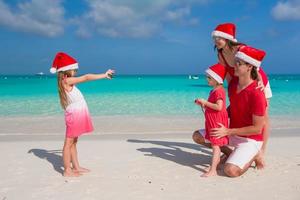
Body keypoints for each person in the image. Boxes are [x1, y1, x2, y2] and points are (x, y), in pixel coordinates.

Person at [194, 23, 271, 168]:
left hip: (258, 80)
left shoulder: (240, 49)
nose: (216, 40)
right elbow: (229, 74)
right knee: (237, 108)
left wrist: (259, 82)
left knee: (263, 117)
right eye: (215, 37)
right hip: (238, 80)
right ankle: (233, 150)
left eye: (220, 37)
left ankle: (261, 152)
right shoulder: (221, 54)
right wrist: (230, 91)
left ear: (227, 38)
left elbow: (255, 66)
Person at [50, 52, 115, 177]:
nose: (76, 72)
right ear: (67, 70)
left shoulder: (68, 81)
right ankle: (67, 170)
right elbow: (86, 77)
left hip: (77, 114)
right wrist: (104, 75)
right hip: (74, 116)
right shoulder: (67, 80)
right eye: (74, 69)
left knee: (74, 142)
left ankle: (76, 166)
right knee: (68, 143)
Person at [211, 45, 267, 177]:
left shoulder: (257, 94)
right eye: (235, 62)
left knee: (230, 171)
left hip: (250, 140)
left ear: (249, 67)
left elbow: (257, 129)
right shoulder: (233, 85)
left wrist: (228, 131)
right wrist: (216, 114)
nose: (234, 66)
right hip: (232, 135)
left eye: (239, 63)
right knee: (199, 136)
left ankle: (255, 155)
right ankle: (233, 154)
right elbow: (234, 107)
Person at [195, 63, 228, 177]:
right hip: (212, 121)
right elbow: (213, 106)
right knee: (215, 145)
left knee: (215, 146)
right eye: (207, 77)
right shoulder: (213, 91)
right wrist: (203, 104)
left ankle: (213, 170)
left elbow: (219, 107)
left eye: (209, 77)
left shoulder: (219, 91)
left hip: (216, 122)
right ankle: (216, 165)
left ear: (216, 79)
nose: (207, 79)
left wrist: (205, 102)